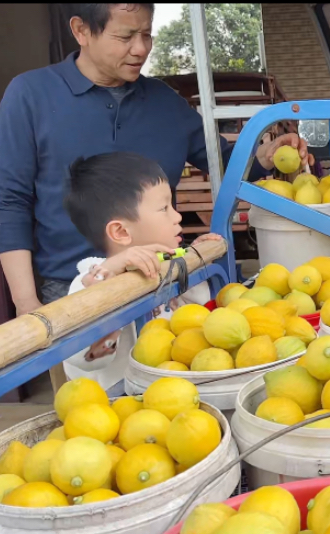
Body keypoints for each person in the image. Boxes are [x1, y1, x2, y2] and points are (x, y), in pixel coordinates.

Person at [0, 2, 313, 318]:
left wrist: (264, 155)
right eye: (125, 37)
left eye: (147, 34)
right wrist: (26, 302)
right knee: (89, 372)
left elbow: (222, 160)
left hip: (161, 284)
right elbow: (9, 200)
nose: (141, 49)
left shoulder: (164, 102)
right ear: (81, 30)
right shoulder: (30, 96)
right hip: (72, 292)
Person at [63, 151, 217, 395]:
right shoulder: (90, 279)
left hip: (175, 389)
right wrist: (111, 273)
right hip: (121, 406)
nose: (177, 217)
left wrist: (196, 259)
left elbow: (196, 316)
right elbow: (80, 355)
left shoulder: (167, 263)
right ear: (121, 232)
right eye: (164, 208)